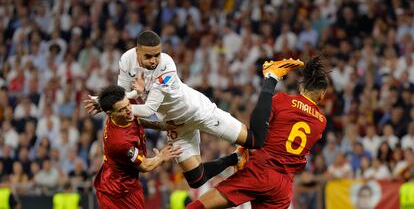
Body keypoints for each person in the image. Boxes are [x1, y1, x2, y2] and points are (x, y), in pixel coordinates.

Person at [86, 30, 304, 189]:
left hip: (198, 112)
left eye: (157, 55)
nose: (154, 60)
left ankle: (271, 75)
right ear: (137, 51)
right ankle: (236, 159)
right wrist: (102, 101)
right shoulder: (126, 59)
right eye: (148, 56)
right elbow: (123, 96)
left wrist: (121, 106)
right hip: (176, 126)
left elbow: (149, 108)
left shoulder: (167, 66)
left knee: (256, 141)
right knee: (196, 179)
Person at [187, 56, 329, 208]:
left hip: (259, 172)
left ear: (301, 87)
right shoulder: (321, 122)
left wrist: (270, 82)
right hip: (282, 187)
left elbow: (258, 129)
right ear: (322, 94)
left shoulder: (282, 100)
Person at [93, 85, 182, 209]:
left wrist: (139, 90)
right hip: (119, 193)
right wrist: (161, 157)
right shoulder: (120, 143)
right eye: (122, 109)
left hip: (123, 183)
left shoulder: (122, 110)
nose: (129, 110)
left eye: (128, 104)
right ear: (110, 114)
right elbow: (145, 166)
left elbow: (140, 118)